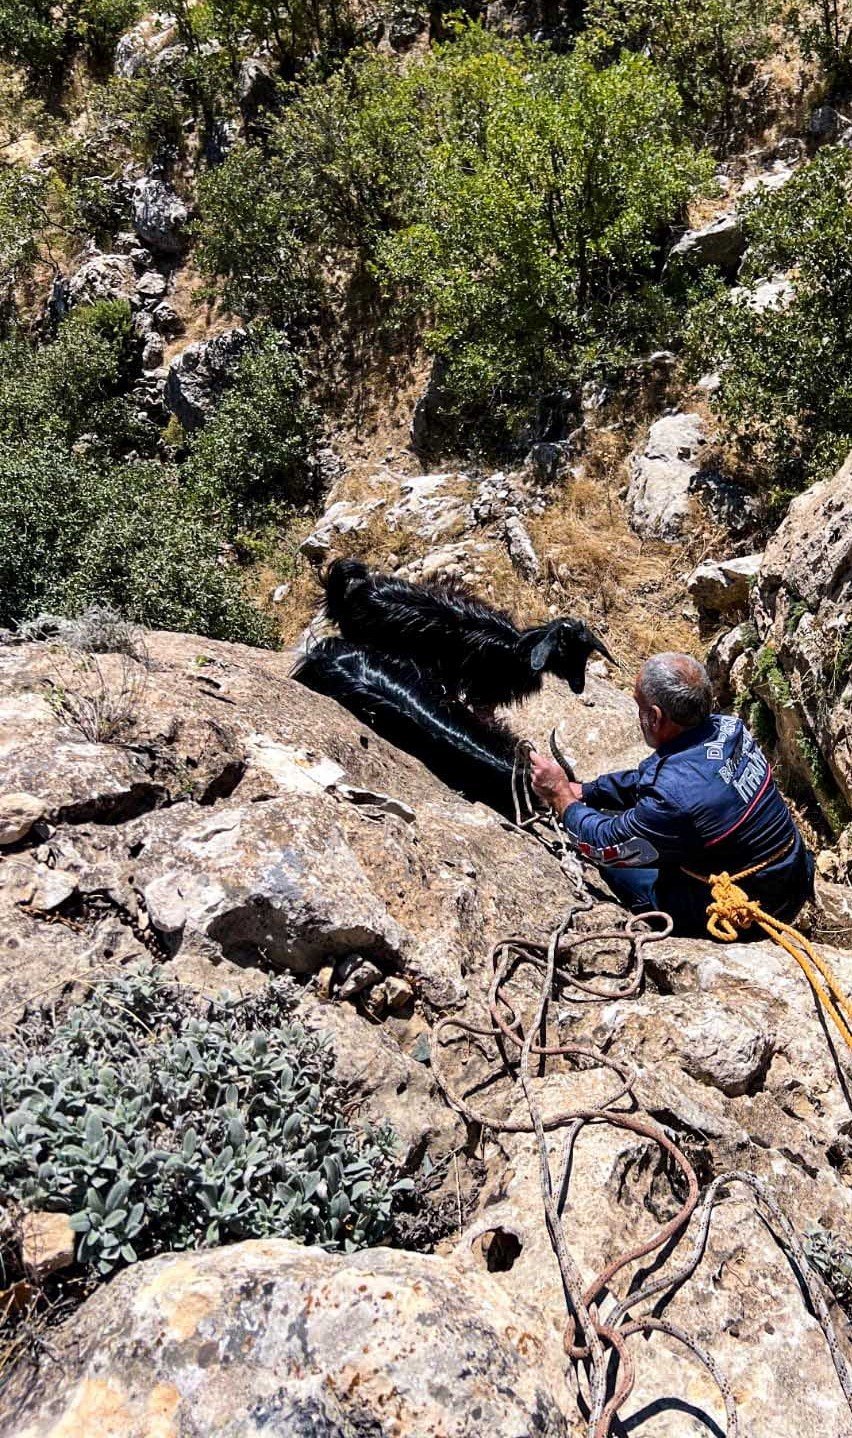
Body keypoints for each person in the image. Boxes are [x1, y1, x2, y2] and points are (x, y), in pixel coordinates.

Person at [529, 652, 814, 937]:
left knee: (620, 867)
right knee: (624, 818)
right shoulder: (729, 729)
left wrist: (561, 798)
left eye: (638, 705)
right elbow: (651, 781)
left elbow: (605, 846)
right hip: (794, 876)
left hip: (751, 911)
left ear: (654, 717)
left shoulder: (675, 796)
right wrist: (589, 791)